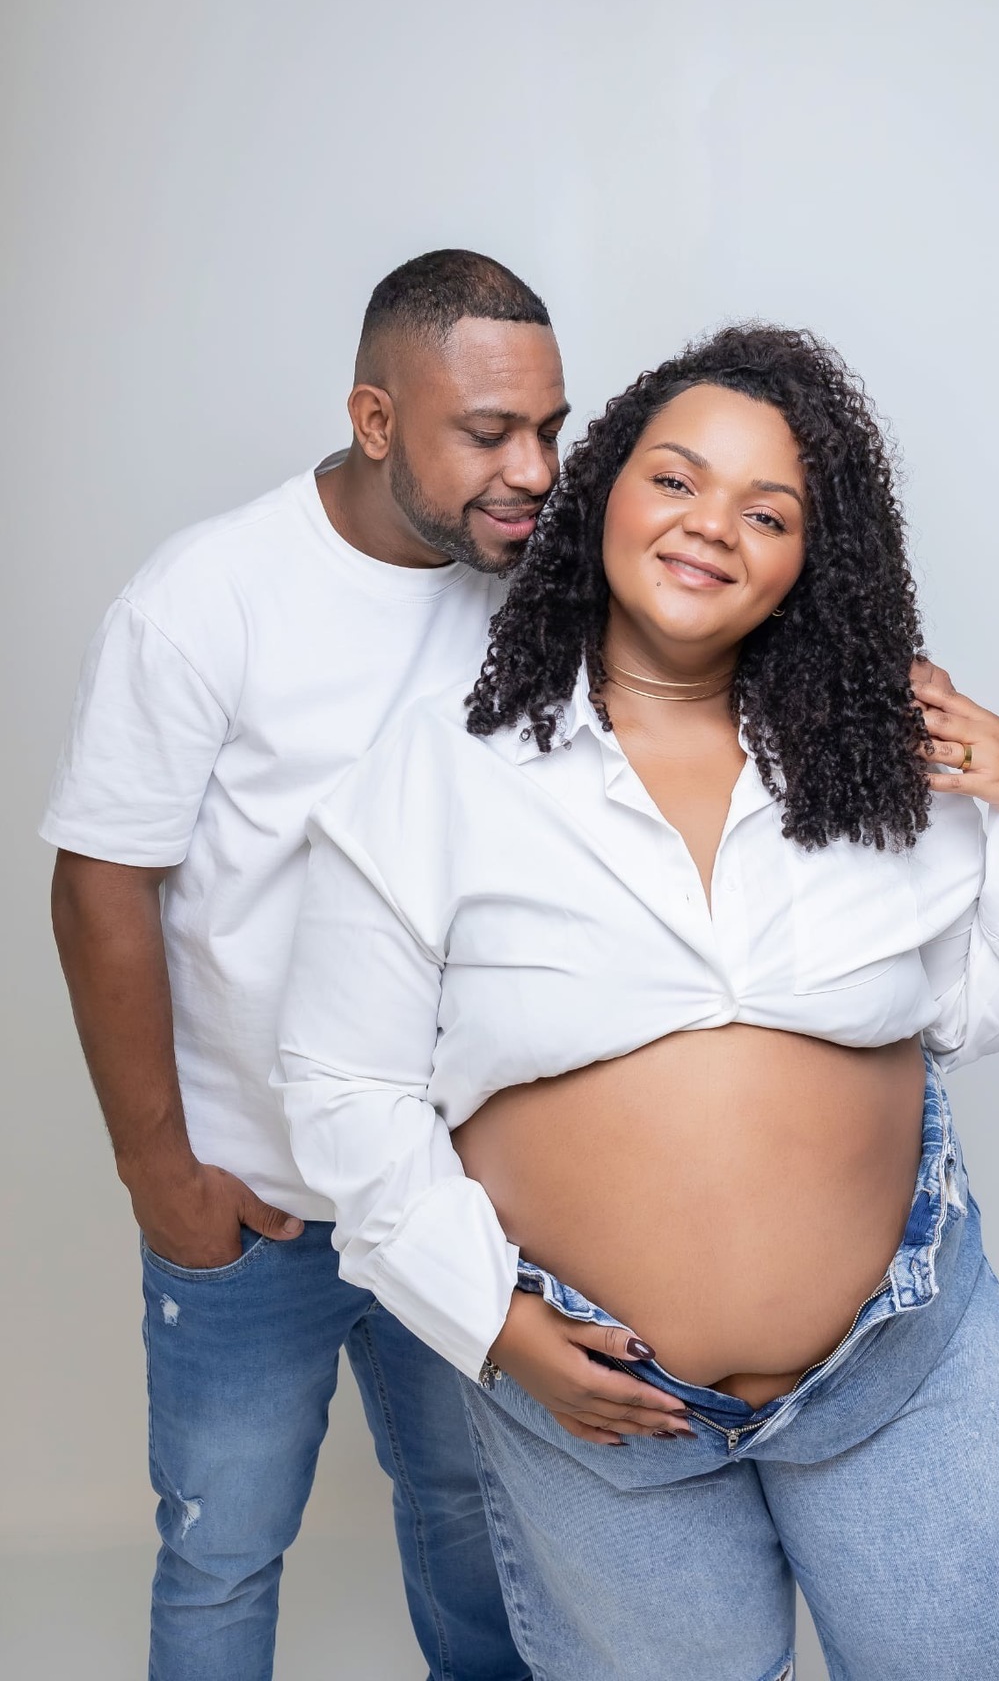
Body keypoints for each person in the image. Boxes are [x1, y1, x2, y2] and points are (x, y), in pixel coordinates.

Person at [274, 324, 999, 1681]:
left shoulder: (877, 755)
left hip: (903, 1367)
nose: (712, 527)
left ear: (807, 563)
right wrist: (489, 1325)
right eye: (676, 480)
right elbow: (339, 1086)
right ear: (605, 491)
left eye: (767, 512)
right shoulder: (439, 773)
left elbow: (977, 1008)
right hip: (593, 1414)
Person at [41, 248, 568, 1680]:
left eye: (550, 428)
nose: (531, 469)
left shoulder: (534, 593)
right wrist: (165, 1176)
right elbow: (101, 885)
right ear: (377, 418)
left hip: (449, 1193)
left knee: (478, 1528)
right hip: (251, 1200)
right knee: (223, 1545)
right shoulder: (209, 595)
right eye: (487, 434)